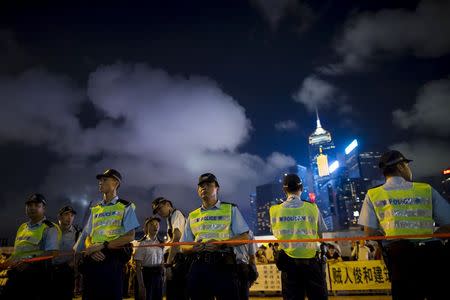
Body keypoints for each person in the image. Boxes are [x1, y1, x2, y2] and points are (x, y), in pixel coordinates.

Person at [358, 150, 450, 300]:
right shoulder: (425, 189)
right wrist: (434, 233)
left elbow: (369, 233)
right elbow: (449, 223)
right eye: (407, 165)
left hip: (400, 257)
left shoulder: (373, 195)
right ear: (401, 166)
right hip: (431, 256)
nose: (408, 169)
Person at [181, 173, 250, 300]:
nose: (204, 188)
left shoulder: (230, 209)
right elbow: (183, 246)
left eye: (208, 185)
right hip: (198, 266)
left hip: (224, 266)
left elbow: (245, 237)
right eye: (201, 186)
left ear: (217, 188)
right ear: (198, 190)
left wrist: (221, 244)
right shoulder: (192, 215)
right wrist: (193, 248)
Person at [74, 168, 140, 300]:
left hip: (112, 260)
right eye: (100, 180)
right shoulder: (95, 209)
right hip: (93, 259)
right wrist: (91, 248)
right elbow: (89, 236)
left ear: (115, 183)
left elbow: (130, 236)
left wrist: (101, 246)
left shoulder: (126, 206)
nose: (100, 182)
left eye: (104, 180)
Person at [270, 174, 328, 300]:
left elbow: (275, 232)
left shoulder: (274, 210)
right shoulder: (312, 207)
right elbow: (321, 233)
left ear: (284, 190)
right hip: (311, 263)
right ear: (301, 188)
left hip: (288, 264)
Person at [1, 193, 60, 300]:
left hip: (36, 279)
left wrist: (28, 261)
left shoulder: (49, 228)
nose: (32, 208)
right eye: (29, 205)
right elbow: (16, 255)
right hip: (16, 277)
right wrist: (2, 266)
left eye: (37, 205)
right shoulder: (22, 227)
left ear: (44, 209)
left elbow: (52, 253)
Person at [151, 196, 187, 300]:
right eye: (157, 211)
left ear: (168, 204)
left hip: (177, 259)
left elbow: (176, 238)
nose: (159, 212)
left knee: (175, 293)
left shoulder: (176, 214)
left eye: (160, 208)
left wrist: (169, 263)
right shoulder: (170, 218)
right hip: (175, 258)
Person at [53, 205, 81, 300]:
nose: (70, 217)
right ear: (59, 217)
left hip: (67, 272)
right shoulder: (51, 231)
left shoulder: (77, 233)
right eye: (66, 214)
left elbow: (79, 253)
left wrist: (70, 265)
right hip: (49, 271)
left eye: (72, 215)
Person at [134, 217, 164, 300]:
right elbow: (138, 266)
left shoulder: (161, 243)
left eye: (157, 224)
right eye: (152, 224)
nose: (155, 226)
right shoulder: (142, 243)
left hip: (157, 276)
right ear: (146, 227)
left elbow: (162, 262)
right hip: (146, 276)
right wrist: (141, 285)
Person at [234, 230, 258, 300]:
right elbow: (252, 257)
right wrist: (253, 273)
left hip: (226, 266)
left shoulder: (225, 230)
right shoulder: (249, 233)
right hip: (242, 268)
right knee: (243, 296)